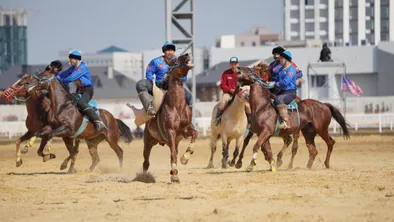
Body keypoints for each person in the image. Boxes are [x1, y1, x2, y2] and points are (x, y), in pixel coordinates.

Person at [135, 42, 193, 116]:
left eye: (172, 50)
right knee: (140, 84)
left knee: (190, 97)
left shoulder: (178, 63)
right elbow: (148, 73)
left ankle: (188, 120)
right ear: (164, 51)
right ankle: (149, 107)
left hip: (174, 87)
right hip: (159, 86)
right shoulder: (156, 61)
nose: (170, 52)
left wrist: (178, 78)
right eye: (168, 50)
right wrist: (154, 83)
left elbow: (184, 78)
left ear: (174, 51)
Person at [56, 50, 105, 132]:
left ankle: (97, 120)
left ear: (77, 59)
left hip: (88, 90)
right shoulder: (72, 68)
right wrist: (54, 78)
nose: (70, 61)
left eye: (71, 59)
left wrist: (60, 81)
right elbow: (62, 75)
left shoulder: (82, 67)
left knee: (81, 102)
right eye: (70, 59)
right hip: (79, 90)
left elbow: (71, 78)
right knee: (68, 101)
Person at [214, 56, 251, 125]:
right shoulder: (226, 73)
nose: (234, 65)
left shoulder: (242, 73)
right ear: (230, 64)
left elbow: (246, 83)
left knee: (247, 106)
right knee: (223, 103)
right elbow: (222, 85)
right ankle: (217, 119)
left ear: (238, 64)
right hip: (228, 93)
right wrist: (230, 90)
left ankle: (249, 122)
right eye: (232, 64)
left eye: (235, 64)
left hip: (239, 94)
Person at [267, 50, 297, 130]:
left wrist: (274, 84)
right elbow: (276, 80)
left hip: (290, 93)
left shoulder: (291, 69)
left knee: (278, 99)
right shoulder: (280, 69)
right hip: (280, 92)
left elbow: (284, 83)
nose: (279, 60)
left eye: (281, 58)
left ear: (287, 59)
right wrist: (269, 84)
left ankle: (286, 122)